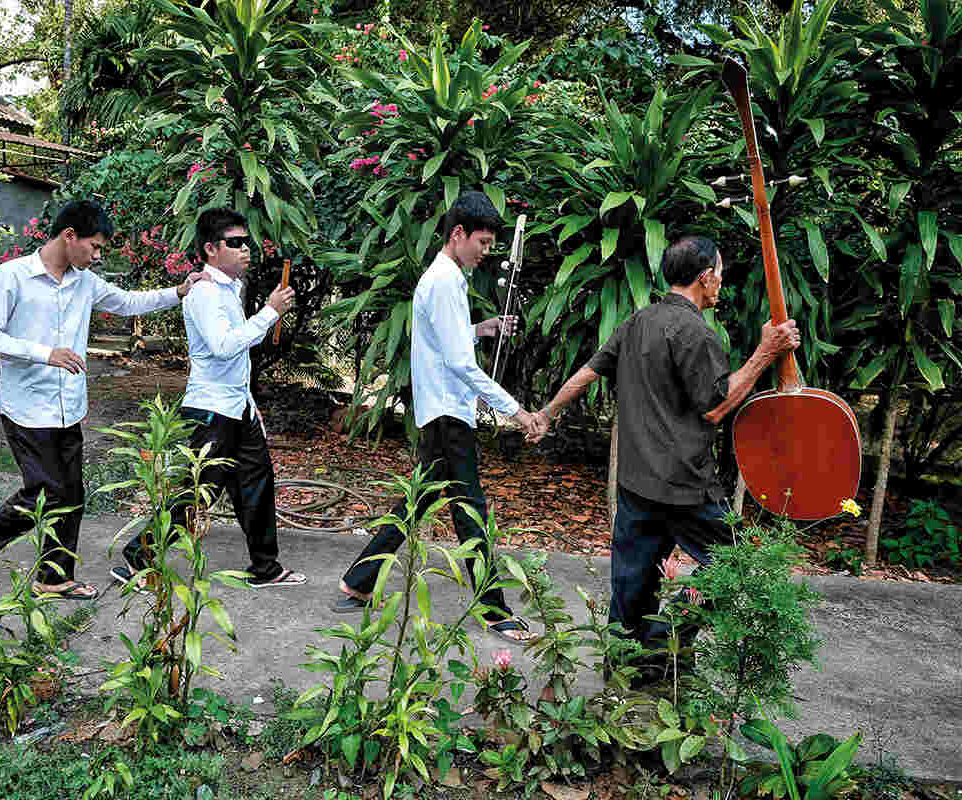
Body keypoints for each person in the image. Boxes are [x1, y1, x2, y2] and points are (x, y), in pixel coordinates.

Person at [529, 235, 800, 676]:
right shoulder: (697, 333)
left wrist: (548, 412)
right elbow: (714, 405)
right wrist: (764, 353)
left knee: (631, 585)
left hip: (637, 482)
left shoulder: (639, 321)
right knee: (732, 567)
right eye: (720, 276)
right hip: (684, 485)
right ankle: (665, 639)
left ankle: (623, 672)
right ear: (704, 277)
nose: (721, 287)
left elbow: (588, 371)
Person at [0, 199, 204, 599]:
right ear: (69, 236)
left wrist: (179, 291)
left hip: (68, 407)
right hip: (26, 407)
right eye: (94, 247)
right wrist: (45, 353)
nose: (97, 257)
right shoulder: (11, 277)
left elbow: (127, 302)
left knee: (72, 493)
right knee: (44, 493)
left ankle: (53, 578)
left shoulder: (84, 281)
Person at [333, 191, 546, 645]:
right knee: (470, 512)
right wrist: (516, 411)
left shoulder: (441, 276)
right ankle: (492, 610)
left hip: (441, 411)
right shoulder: (446, 280)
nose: (486, 253)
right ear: (458, 234)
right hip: (449, 415)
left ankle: (357, 582)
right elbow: (461, 365)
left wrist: (481, 329)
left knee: (415, 506)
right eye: (483, 243)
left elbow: (441, 339)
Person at [115, 207, 306, 589]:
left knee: (256, 482)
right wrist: (269, 312)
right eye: (234, 243)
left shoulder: (228, 290)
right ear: (210, 249)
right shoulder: (204, 293)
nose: (245, 249)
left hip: (237, 406)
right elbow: (222, 347)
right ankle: (138, 556)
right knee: (198, 490)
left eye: (246, 242)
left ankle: (265, 568)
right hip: (211, 409)